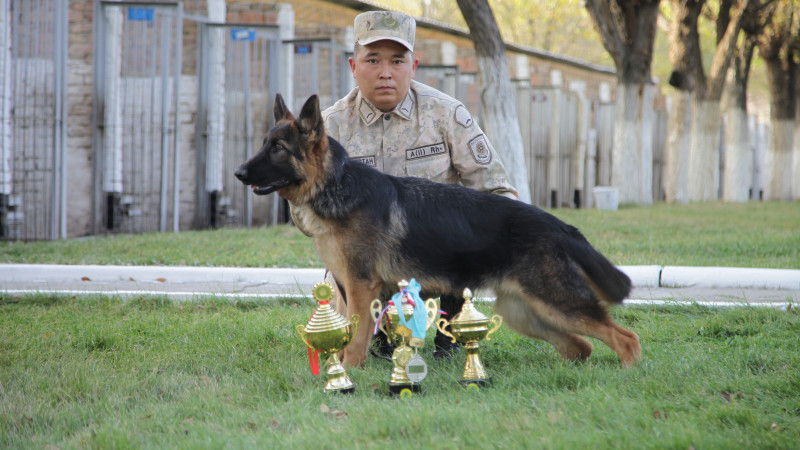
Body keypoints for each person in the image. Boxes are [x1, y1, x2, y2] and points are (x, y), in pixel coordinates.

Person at [296, 10, 518, 358]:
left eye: (397, 60)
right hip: (362, 264)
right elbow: (302, 210)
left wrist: (471, 246)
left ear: (413, 66)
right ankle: (370, 334)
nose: (385, 72)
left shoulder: (446, 114)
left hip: (435, 260)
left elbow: (499, 193)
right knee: (337, 341)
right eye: (373, 60)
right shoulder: (330, 128)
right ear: (354, 67)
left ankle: (452, 327)